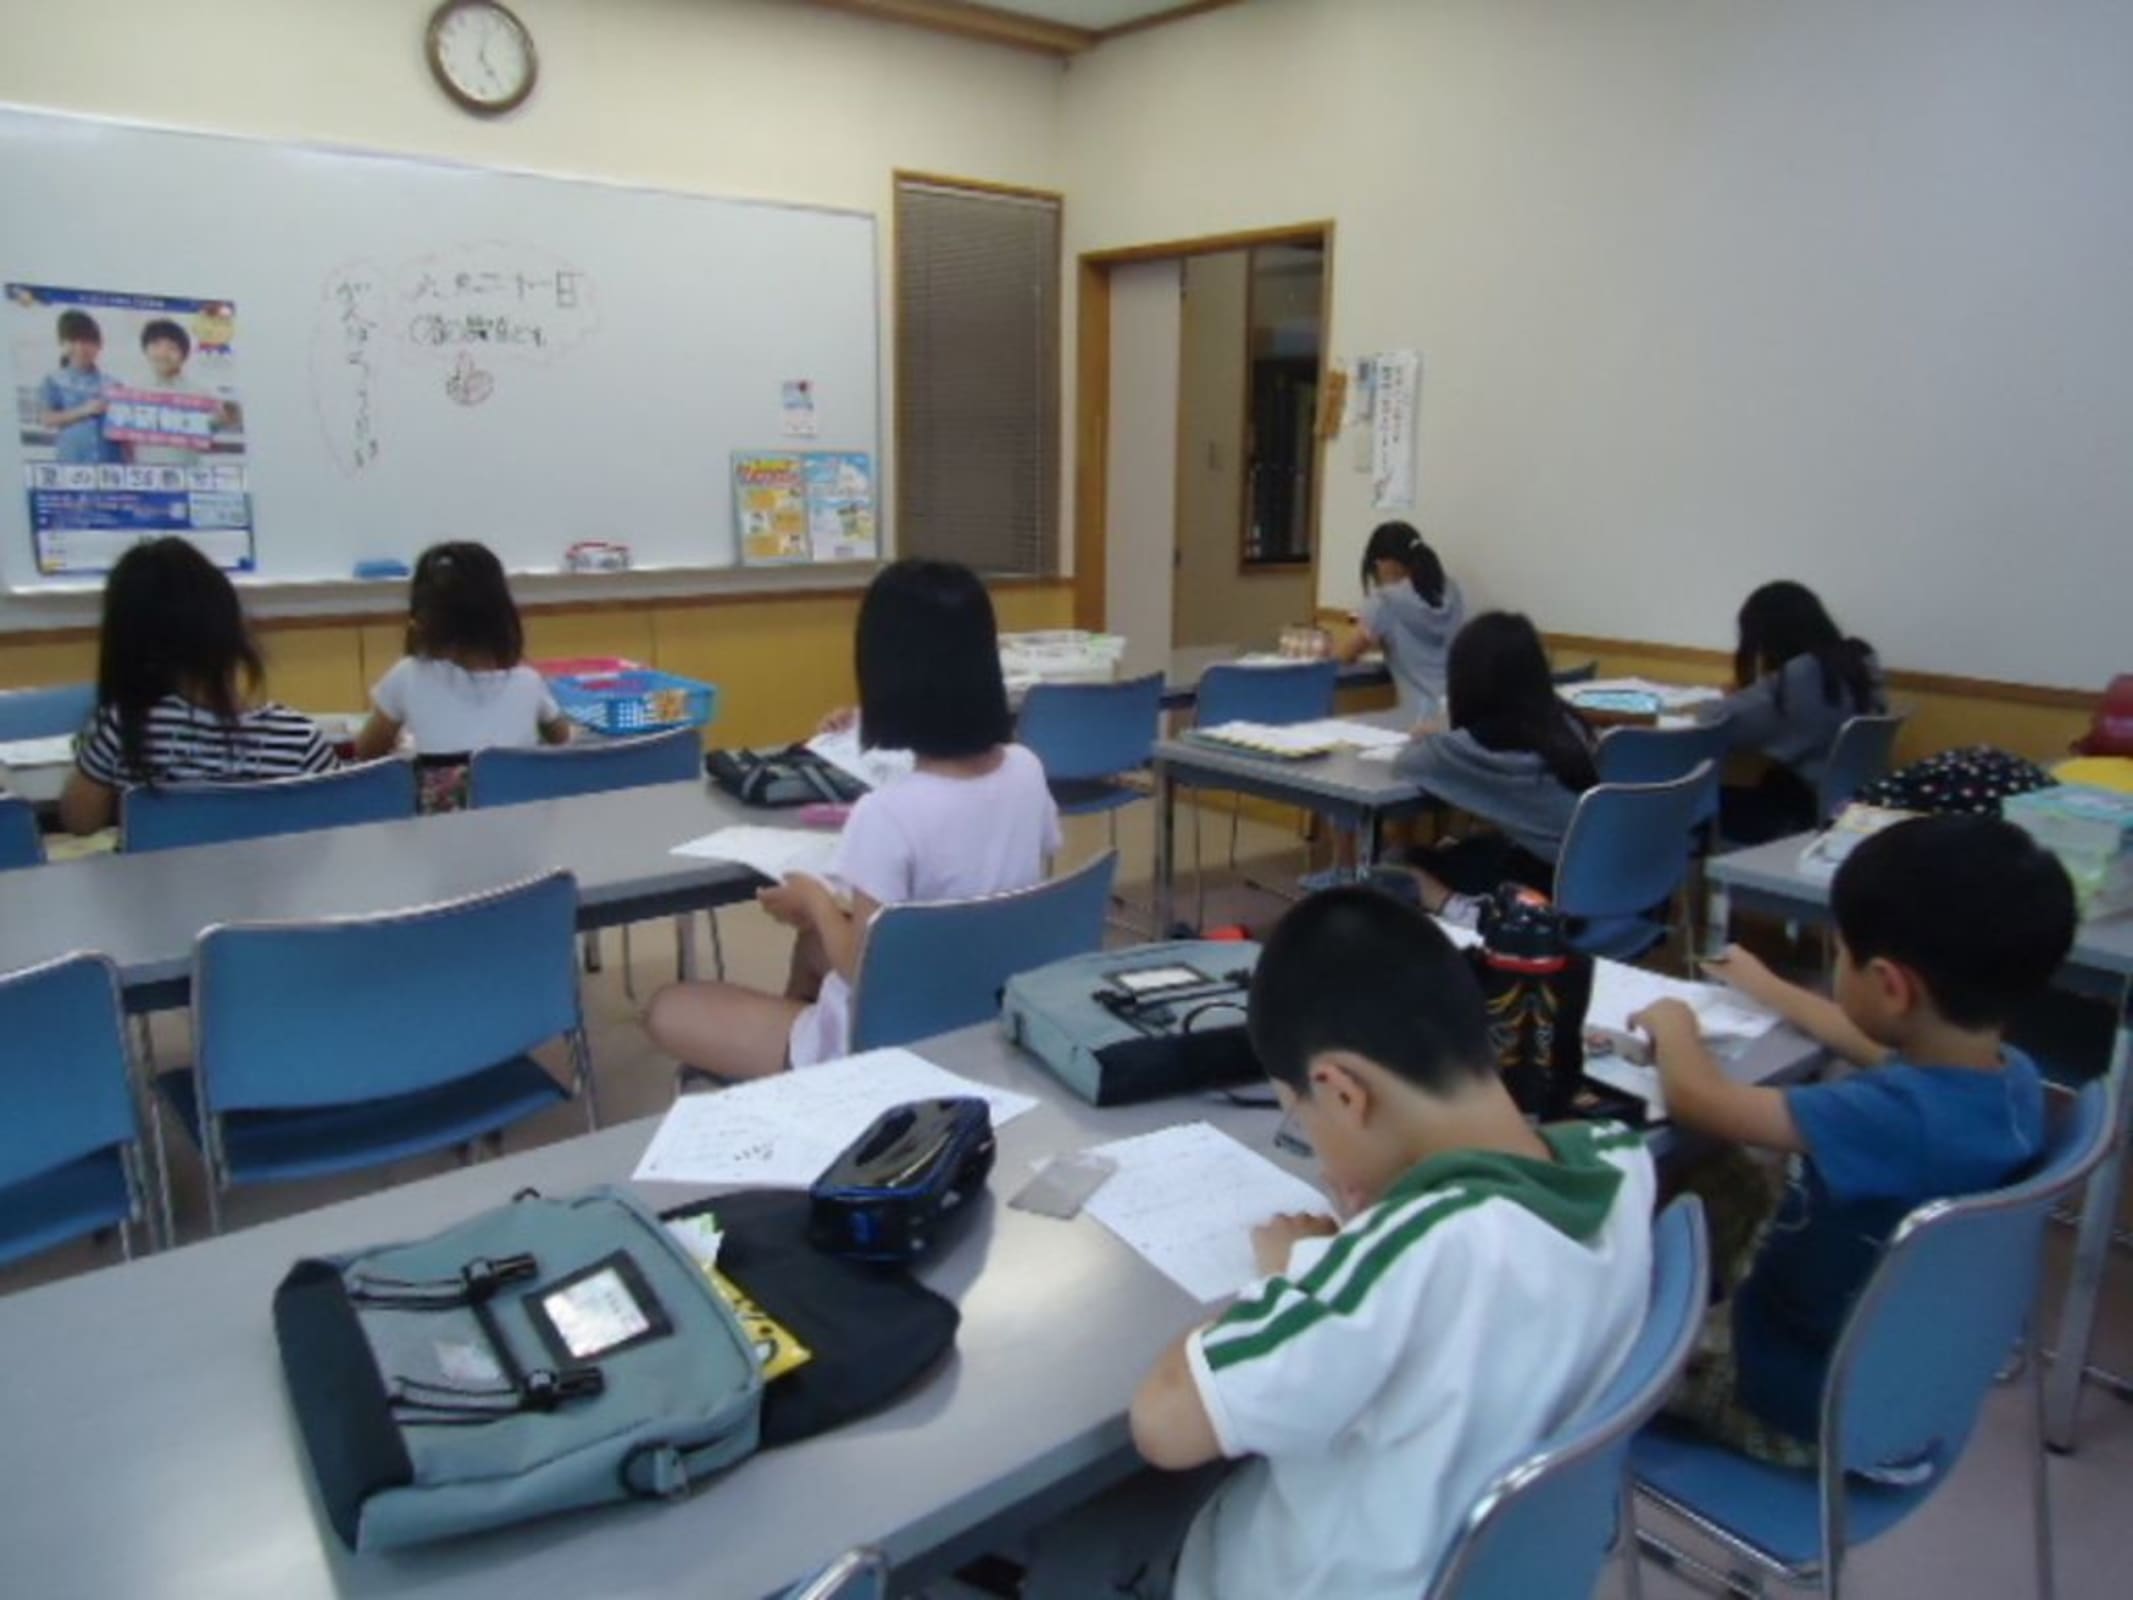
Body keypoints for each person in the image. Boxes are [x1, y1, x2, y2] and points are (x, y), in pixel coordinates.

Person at [1025, 887, 1656, 1599]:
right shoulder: (1621, 1165)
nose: (1316, 1153)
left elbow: (1163, 1424)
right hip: (1493, 1568)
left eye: (1300, 1116)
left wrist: (1293, 1275)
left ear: (1342, 1091)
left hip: (1298, 1580)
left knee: (1076, 1537)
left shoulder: (1413, 1252)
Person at [1632, 813, 2074, 1470]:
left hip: (1785, 1397)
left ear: (1891, 985)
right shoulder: (2008, 1079)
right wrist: (1770, 988)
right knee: (1715, 1171)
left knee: (1610, 1322)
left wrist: (1673, 1024)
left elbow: (1702, 1101)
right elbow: (1868, 1041)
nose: (1834, 966)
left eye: (1839, 954)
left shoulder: (1886, 1117)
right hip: (1882, 1356)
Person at [645, 558, 1060, 1080]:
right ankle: (790, 1059)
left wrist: (815, 902)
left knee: (666, 1008)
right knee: (811, 945)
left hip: (887, 1039)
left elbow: (864, 971)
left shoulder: (887, 813)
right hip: (984, 1006)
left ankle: (809, 1077)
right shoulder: (1027, 769)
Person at [61, 537, 336, 834]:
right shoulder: (299, 738)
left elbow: (79, 822)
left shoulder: (126, 728)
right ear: (233, 623)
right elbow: (343, 823)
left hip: (161, 866)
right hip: (273, 866)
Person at [1392, 611, 1598, 902]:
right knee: (1468, 846)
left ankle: (1457, 909)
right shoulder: (1569, 726)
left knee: (1396, 866)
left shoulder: (1466, 748)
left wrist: (1437, 733)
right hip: (1597, 872)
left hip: (1546, 886)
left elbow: (1406, 763)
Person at [355, 542, 571, 812]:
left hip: (436, 834)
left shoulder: (407, 674)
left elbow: (366, 753)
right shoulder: (528, 681)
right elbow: (562, 739)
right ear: (502, 615)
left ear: (422, 618)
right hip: (519, 830)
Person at [1700, 580, 1884, 843]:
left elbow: (1715, 720)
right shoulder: (1858, 660)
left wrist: (1733, 696)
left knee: (1689, 804)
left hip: (1802, 810)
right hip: (1852, 803)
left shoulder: (1800, 677)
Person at [1337, 521, 1464, 725]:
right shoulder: (1451, 590)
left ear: (1385, 564)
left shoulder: (1384, 600)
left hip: (1420, 717)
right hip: (1461, 711)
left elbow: (1345, 655)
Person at [125, 318, 224, 469]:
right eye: (156, 345)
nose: (163, 353)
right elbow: (125, 443)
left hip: (186, 472)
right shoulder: (131, 391)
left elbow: (208, 442)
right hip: (145, 473)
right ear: (145, 350)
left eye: (172, 348)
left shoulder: (201, 394)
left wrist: (217, 422)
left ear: (184, 356)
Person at [37, 309, 122, 465]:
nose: (80, 348)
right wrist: (84, 410)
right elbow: (46, 419)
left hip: (110, 465)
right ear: (62, 344)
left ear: (98, 345)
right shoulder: (53, 380)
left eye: (87, 341)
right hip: (72, 463)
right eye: (73, 341)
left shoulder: (113, 384)